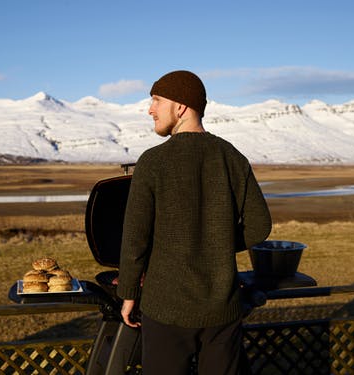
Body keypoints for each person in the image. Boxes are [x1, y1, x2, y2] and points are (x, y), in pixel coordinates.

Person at [116, 70, 272, 375]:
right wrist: (217, 244)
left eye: (156, 100)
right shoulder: (232, 157)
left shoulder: (153, 162)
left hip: (165, 309)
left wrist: (129, 294)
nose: (150, 109)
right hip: (222, 309)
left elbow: (135, 238)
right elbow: (259, 225)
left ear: (181, 106)